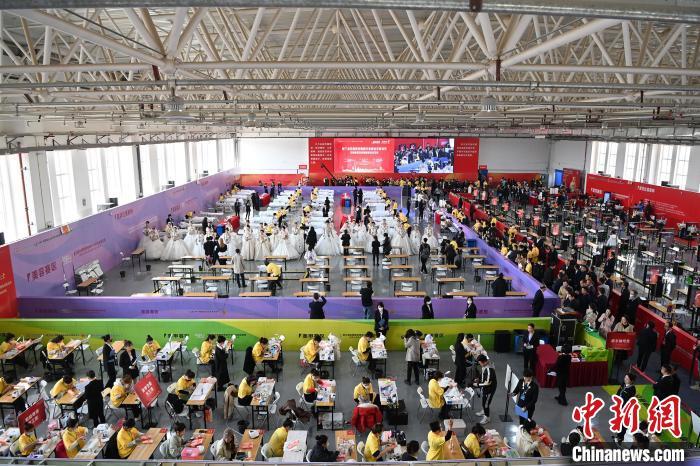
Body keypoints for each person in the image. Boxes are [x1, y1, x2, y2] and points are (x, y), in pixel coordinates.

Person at [473, 354, 497, 424]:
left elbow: (487, 383)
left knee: (486, 404)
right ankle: (484, 411)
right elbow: (483, 374)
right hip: (485, 388)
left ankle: (487, 418)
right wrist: (479, 379)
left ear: (483, 362)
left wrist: (477, 384)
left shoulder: (489, 369)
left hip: (489, 389)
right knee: (484, 401)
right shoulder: (484, 366)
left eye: (479, 363)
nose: (479, 364)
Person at [615, 373, 637, 444]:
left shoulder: (632, 389)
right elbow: (619, 391)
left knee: (623, 424)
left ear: (631, 381)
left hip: (625, 409)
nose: (625, 379)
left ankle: (620, 438)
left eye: (627, 379)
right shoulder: (623, 384)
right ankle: (618, 435)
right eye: (625, 378)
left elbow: (629, 401)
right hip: (619, 406)